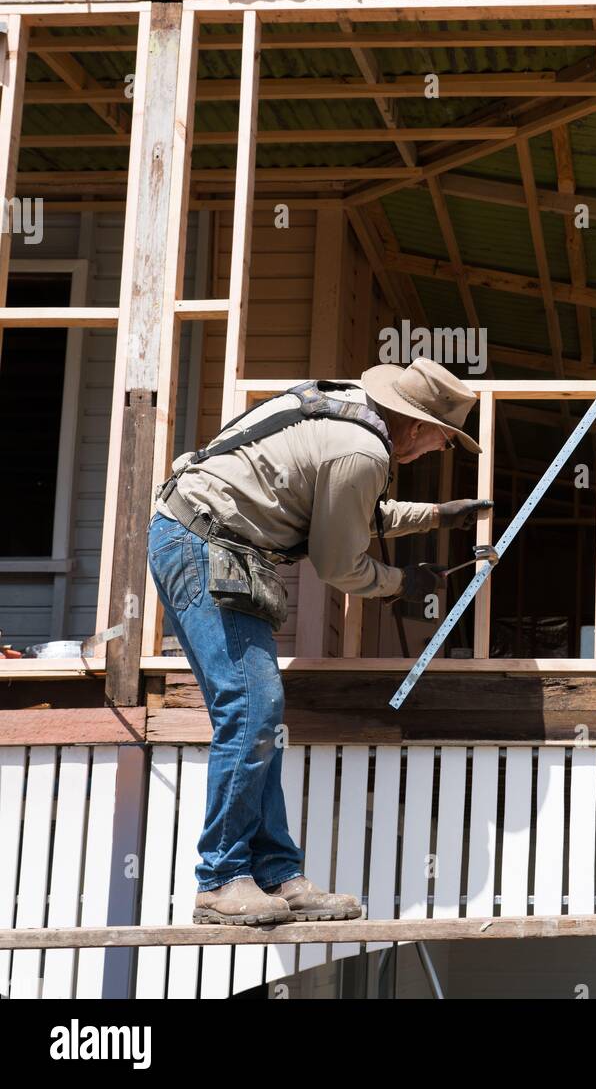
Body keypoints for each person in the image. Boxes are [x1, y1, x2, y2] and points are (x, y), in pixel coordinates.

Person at [147, 357, 491, 926]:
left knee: (261, 717)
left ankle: (278, 877)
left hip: (201, 537)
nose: (436, 450)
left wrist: (435, 516)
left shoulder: (348, 412)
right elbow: (338, 561)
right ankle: (220, 881)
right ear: (417, 424)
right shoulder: (364, 452)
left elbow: (347, 510)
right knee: (253, 709)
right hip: (203, 544)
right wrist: (403, 583)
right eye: (442, 441)